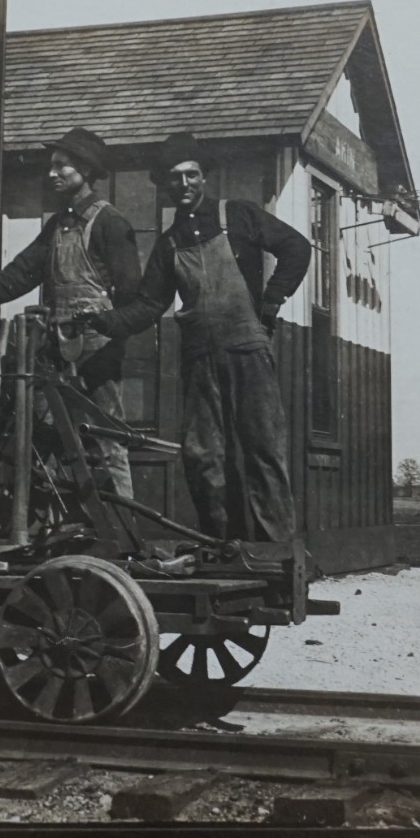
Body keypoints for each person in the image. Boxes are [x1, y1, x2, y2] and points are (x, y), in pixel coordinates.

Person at [85, 132, 311, 542]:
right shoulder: (169, 243)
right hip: (199, 357)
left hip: (247, 349)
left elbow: (297, 247)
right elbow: (150, 306)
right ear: (165, 185)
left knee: (262, 449)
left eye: (191, 175)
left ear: (204, 177)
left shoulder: (238, 215)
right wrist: (103, 321)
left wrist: (273, 300)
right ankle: (223, 545)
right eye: (175, 178)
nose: (184, 184)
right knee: (203, 455)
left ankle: (274, 552)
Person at [0, 126, 141, 498]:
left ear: (87, 171)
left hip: (97, 353)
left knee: (106, 441)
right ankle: (63, 527)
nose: (52, 174)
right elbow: (22, 272)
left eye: (62, 166)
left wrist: (108, 338)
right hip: (56, 352)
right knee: (52, 440)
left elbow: (132, 297)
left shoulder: (110, 223)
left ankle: (124, 538)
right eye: (51, 166)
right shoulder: (58, 226)